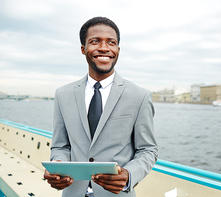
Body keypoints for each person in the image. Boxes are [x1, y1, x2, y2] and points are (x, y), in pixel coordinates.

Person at [43, 16, 158, 197]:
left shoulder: (140, 96)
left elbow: (147, 150)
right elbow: (61, 146)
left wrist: (129, 175)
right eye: (95, 41)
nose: (104, 48)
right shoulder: (62, 94)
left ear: (118, 49)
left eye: (111, 43)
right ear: (83, 49)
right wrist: (58, 166)